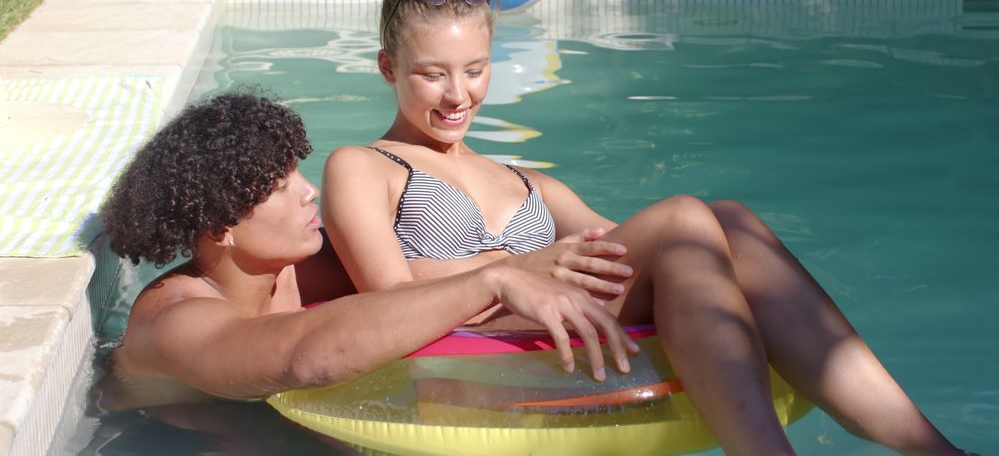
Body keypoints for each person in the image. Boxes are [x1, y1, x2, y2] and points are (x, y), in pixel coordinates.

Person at [321, 0, 964, 456]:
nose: (457, 95)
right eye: (432, 74)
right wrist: (509, 270)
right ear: (388, 69)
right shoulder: (364, 166)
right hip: (473, 344)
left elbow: (638, 248)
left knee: (727, 223)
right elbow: (385, 302)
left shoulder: (528, 182)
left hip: (567, 334)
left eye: (475, 69)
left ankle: (935, 451)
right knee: (686, 215)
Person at [98, 92, 637, 403]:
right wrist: (496, 279)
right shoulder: (174, 319)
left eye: (297, 172)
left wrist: (524, 264)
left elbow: (412, 279)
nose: (310, 190)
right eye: (281, 187)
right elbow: (302, 356)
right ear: (221, 229)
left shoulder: (294, 268)